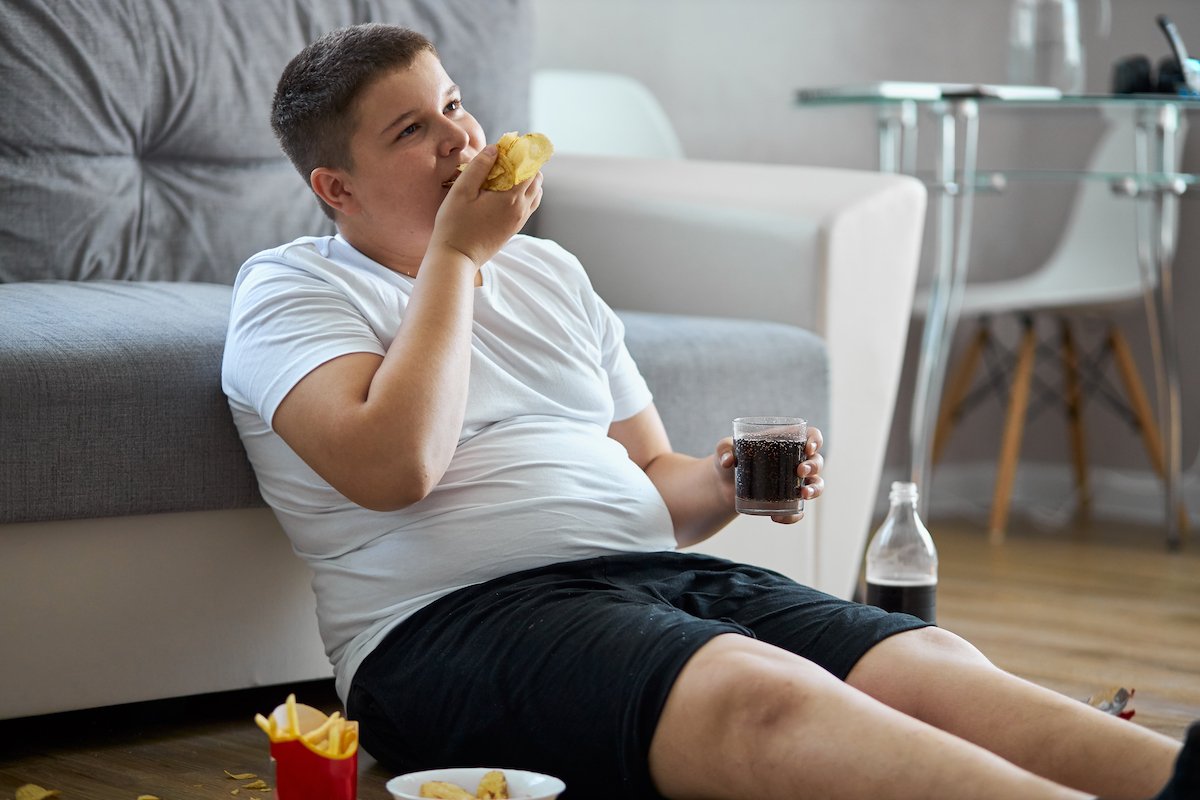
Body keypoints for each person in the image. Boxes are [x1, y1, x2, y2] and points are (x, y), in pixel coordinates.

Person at [222, 22, 1198, 800]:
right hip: (447, 632)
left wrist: (723, 480)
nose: (462, 140)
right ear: (335, 189)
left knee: (925, 659)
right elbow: (395, 468)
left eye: (454, 106)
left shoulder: (551, 272)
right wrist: (456, 260)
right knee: (760, 697)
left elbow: (655, 478)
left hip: (651, 576)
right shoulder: (289, 292)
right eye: (413, 132)